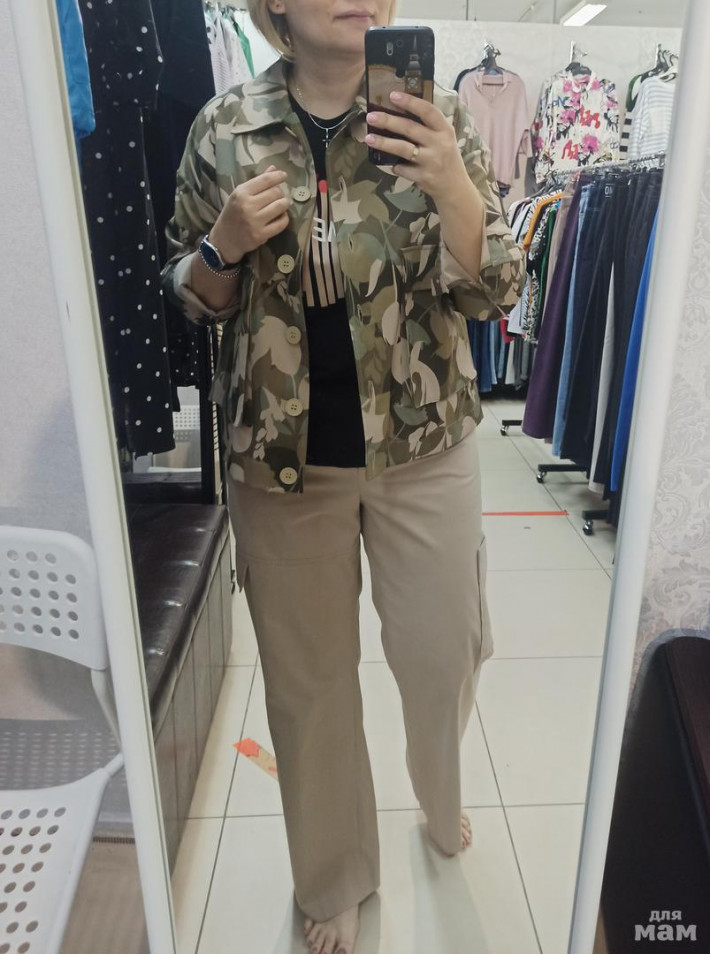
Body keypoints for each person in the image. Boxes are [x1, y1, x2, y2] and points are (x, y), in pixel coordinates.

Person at [161, 2, 525, 951]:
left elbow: (497, 287)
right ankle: (334, 873)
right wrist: (221, 247)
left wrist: (454, 185)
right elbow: (188, 296)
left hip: (424, 445)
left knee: (445, 652)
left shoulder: (435, 118)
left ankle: (438, 793)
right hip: (282, 462)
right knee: (309, 683)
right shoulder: (225, 126)